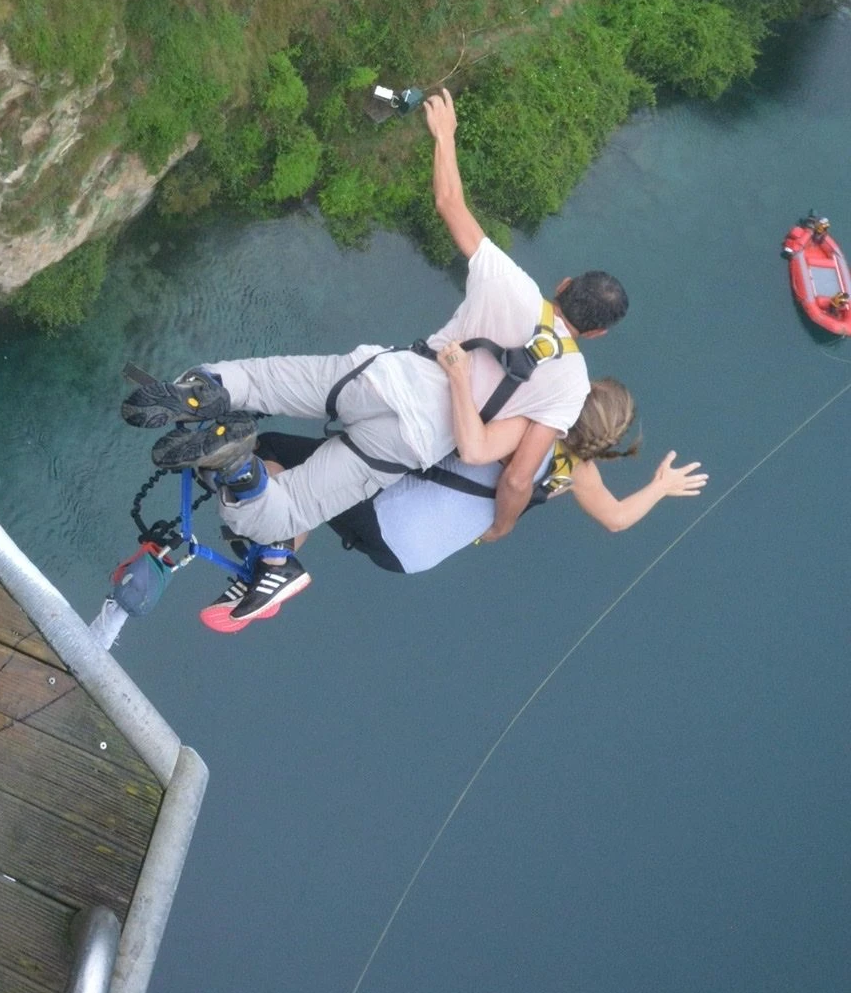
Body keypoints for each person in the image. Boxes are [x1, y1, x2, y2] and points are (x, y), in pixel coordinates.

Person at [120, 88, 628, 632]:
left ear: (564, 285)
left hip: (384, 374)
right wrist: (501, 526)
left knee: (253, 380)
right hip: (410, 440)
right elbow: (513, 472)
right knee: (283, 511)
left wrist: (445, 136)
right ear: (596, 332)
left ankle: (198, 390)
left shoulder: (515, 285)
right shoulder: (570, 385)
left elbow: (449, 204)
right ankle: (238, 471)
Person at [313, 373, 706, 574]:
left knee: (289, 463)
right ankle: (280, 563)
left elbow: (475, 445)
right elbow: (616, 518)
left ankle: (280, 567)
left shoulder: (526, 428)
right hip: (409, 558)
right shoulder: (576, 473)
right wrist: (660, 486)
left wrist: (459, 374)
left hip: (386, 512)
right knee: (304, 497)